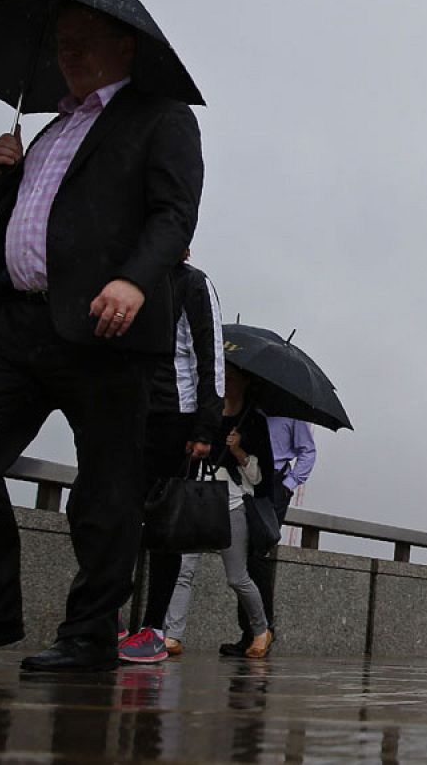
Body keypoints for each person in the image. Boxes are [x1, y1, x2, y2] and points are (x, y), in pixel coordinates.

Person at [0, 4, 205, 671]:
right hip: (19, 324)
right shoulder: (51, 129)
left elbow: (174, 213)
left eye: (83, 42)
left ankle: (89, 633)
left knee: (106, 490)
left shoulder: (161, 117)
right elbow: (42, 221)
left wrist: (133, 280)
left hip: (108, 328)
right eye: (61, 44)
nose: (67, 54)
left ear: (124, 48)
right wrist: (5, 180)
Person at [118, 256, 222, 664]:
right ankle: (108, 612)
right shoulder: (126, 277)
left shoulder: (192, 283)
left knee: (165, 526)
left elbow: (210, 358)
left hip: (174, 416)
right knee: (109, 512)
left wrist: (205, 428)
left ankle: (155, 628)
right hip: (126, 410)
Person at [156, 364, 274, 657]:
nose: (227, 384)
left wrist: (238, 451)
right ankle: (173, 635)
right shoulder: (205, 413)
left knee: (237, 577)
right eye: (225, 378)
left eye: (232, 379)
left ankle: (261, 630)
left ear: (245, 383)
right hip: (197, 498)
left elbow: (260, 479)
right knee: (184, 570)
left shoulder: (253, 422)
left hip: (231, 503)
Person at [217, 414, 316, 657]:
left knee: (258, 556)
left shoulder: (291, 414)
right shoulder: (249, 411)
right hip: (245, 477)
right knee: (243, 557)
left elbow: (308, 451)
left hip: (274, 483)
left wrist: (288, 485)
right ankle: (249, 633)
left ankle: (263, 630)